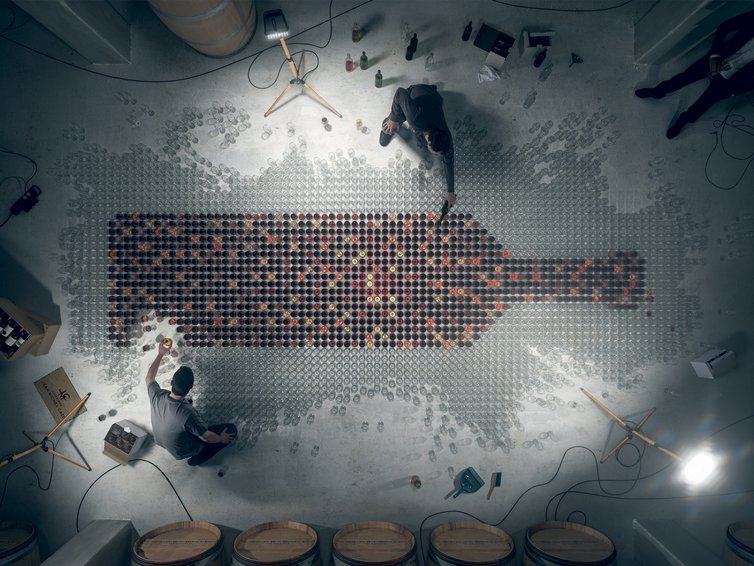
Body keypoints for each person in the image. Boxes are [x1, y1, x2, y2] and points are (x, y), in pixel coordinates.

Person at [635, 9, 754, 139]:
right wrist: (714, 56)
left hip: (732, 81)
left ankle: (684, 120)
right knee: (685, 77)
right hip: (719, 58)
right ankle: (657, 92)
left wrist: (734, 92)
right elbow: (725, 27)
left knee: (703, 104)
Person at [145, 342, 236, 466]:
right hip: (180, 450)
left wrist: (160, 354)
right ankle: (196, 459)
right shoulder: (188, 415)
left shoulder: (157, 396)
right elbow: (207, 437)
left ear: (171, 383)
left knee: (188, 420)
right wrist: (220, 438)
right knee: (231, 430)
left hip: (160, 440)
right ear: (191, 387)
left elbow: (149, 378)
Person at [380, 84, 456, 208]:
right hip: (416, 92)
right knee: (397, 117)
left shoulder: (445, 137)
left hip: (434, 97)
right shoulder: (415, 118)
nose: (437, 156)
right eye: (436, 153)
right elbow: (400, 92)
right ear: (429, 141)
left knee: (420, 139)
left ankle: (429, 89)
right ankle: (388, 125)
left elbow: (449, 162)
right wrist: (393, 119)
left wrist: (451, 191)